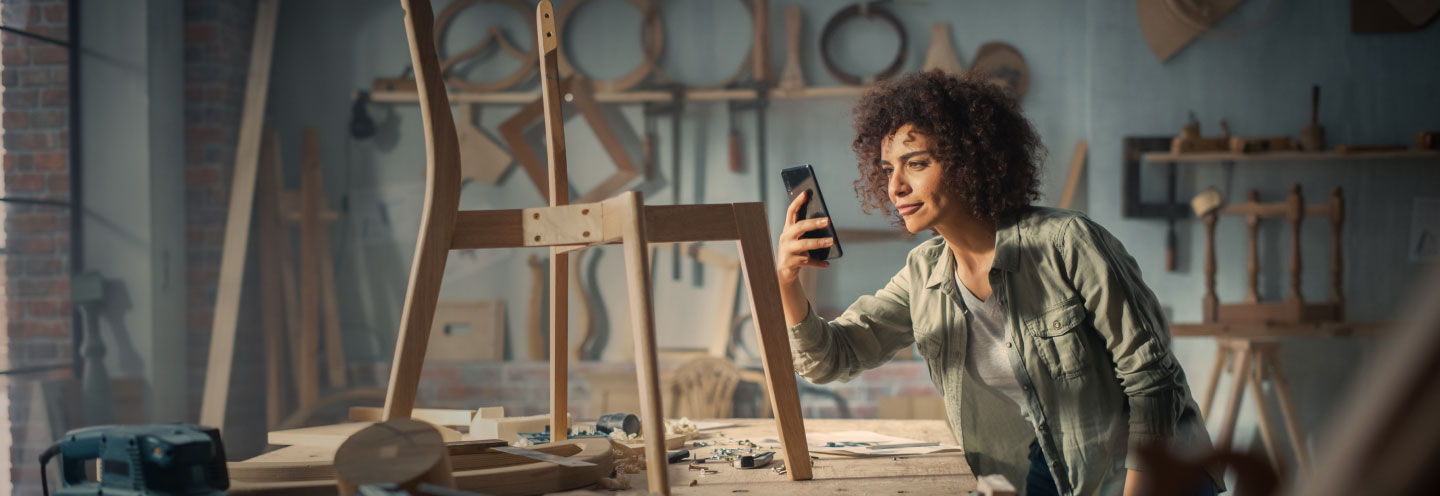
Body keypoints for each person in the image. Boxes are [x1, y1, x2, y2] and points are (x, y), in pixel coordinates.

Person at [774, 70, 1221, 496]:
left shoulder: (1069, 243)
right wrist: (787, 280)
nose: (896, 187)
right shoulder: (923, 274)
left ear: (972, 160)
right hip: (1054, 466)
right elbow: (831, 359)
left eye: (917, 163)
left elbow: (1152, 383)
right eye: (888, 168)